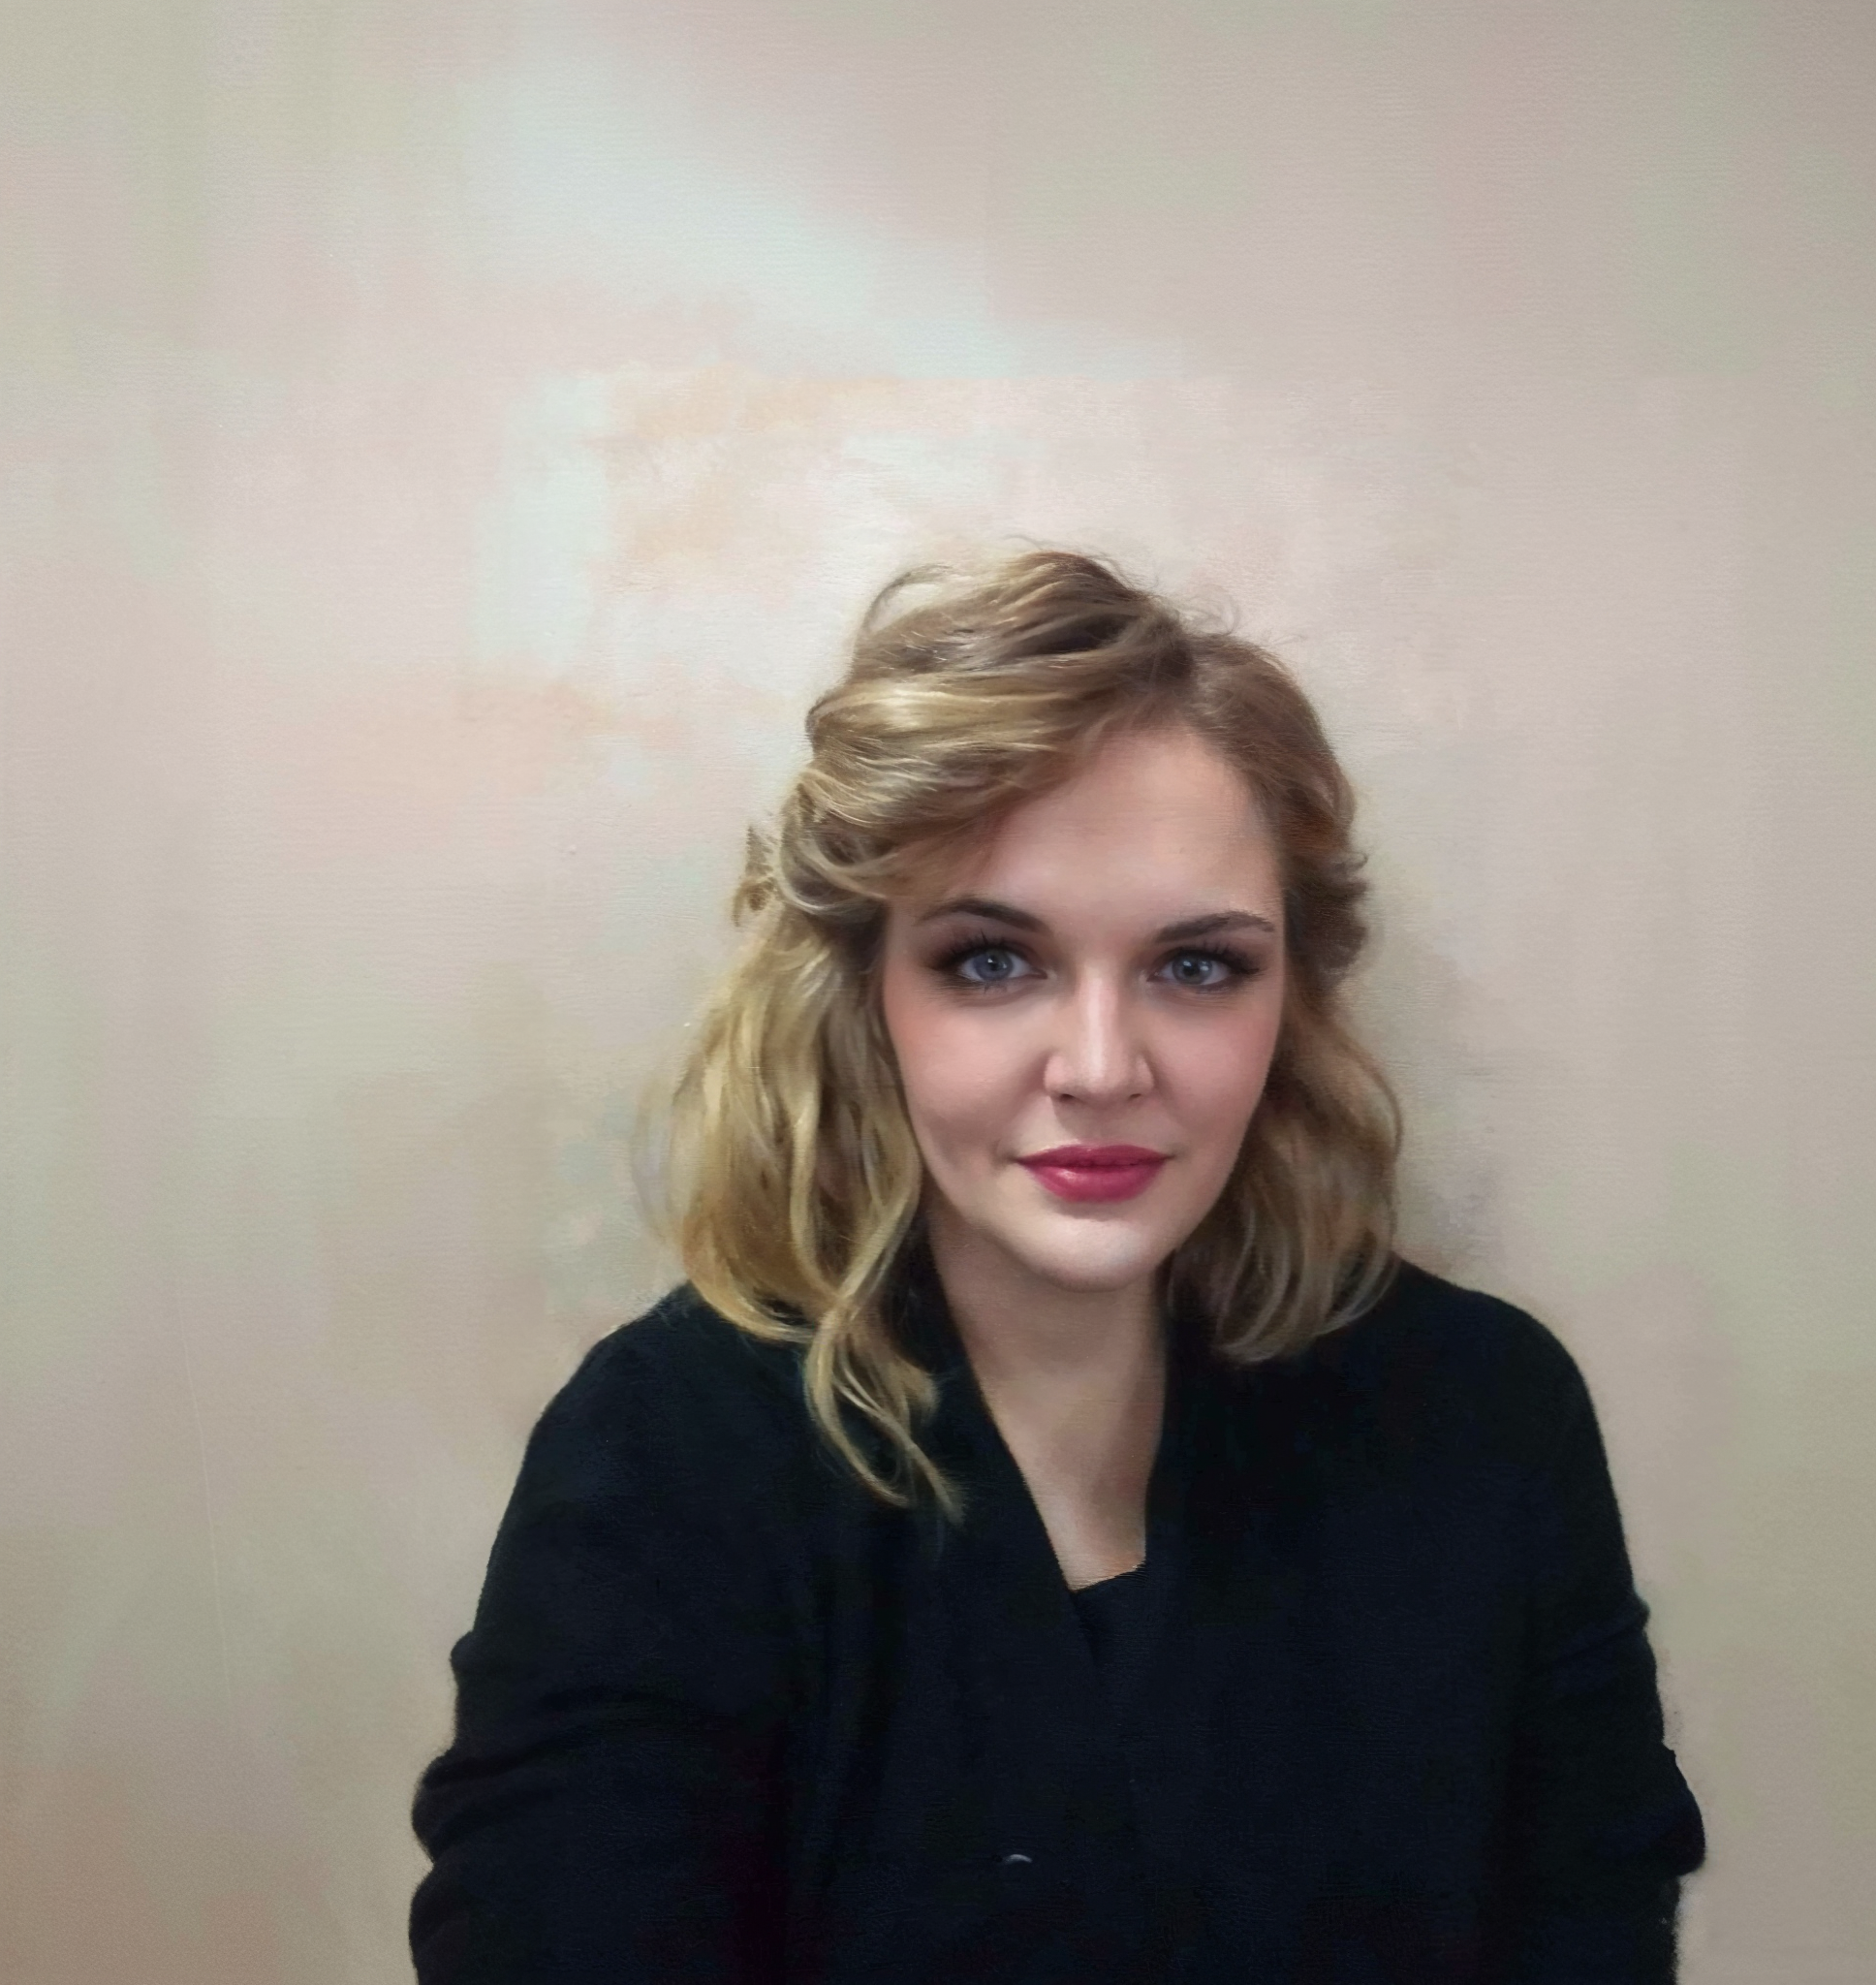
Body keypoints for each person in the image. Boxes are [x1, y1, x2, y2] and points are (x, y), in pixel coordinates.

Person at [409, 547, 1707, 1982]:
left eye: (1197, 966)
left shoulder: (1484, 1415)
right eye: (991, 961)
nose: (1100, 1069)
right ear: (867, 996)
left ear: (1290, 995)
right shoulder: (666, 1460)